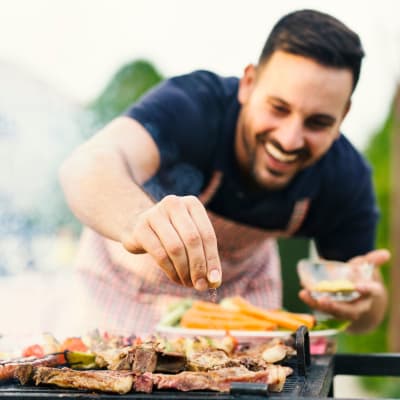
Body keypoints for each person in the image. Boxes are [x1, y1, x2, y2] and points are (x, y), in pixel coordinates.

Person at [60, 9, 389, 336]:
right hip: (122, 291)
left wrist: (362, 304)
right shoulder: (194, 106)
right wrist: (138, 221)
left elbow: (368, 315)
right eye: (278, 108)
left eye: (318, 122)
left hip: (241, 304)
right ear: (248, 84)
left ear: (343, 115)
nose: (289, 140)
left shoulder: (345, 176)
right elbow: (86, 167)